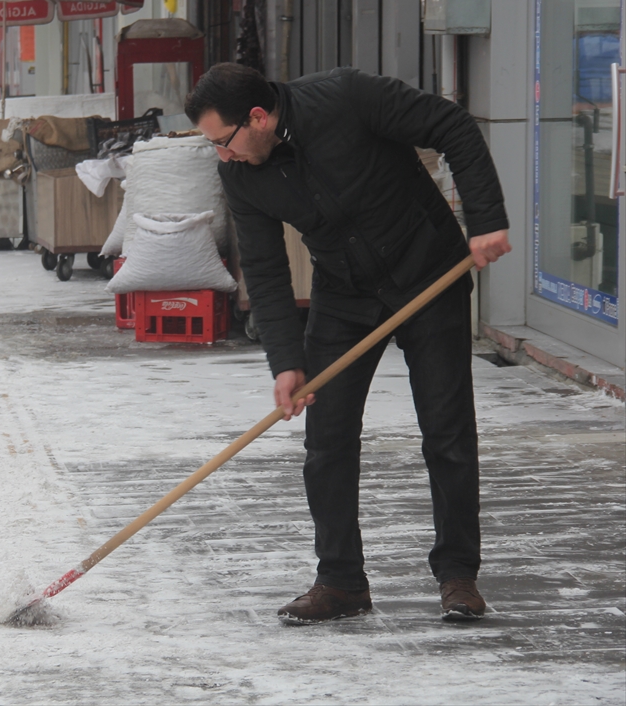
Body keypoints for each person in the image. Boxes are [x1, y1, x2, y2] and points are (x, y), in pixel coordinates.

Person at [184, 63, 512, 625]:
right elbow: (263, 270)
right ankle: (340, 581)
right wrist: (287, 363)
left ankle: (458, 575)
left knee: (447, 430)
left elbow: (452, 125)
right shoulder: (243, 174)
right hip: (343, 295)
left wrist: (485, 219)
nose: (222, 156)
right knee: (327, 439)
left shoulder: (349, 98)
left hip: (428, 274)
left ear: (257, 117)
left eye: (223, 140)